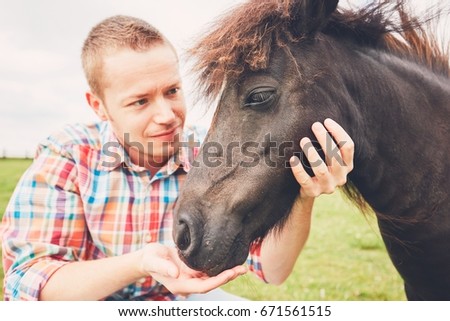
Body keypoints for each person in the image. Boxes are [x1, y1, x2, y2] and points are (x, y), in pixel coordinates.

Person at [0, 15, 354, 301]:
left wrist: (304, 197)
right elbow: (28, 282)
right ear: (99, 106)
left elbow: (272, 270)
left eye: (172, 91)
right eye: (141, 101)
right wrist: (141, 264)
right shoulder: (68, 154)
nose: (167, 115)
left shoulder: (212, 150)